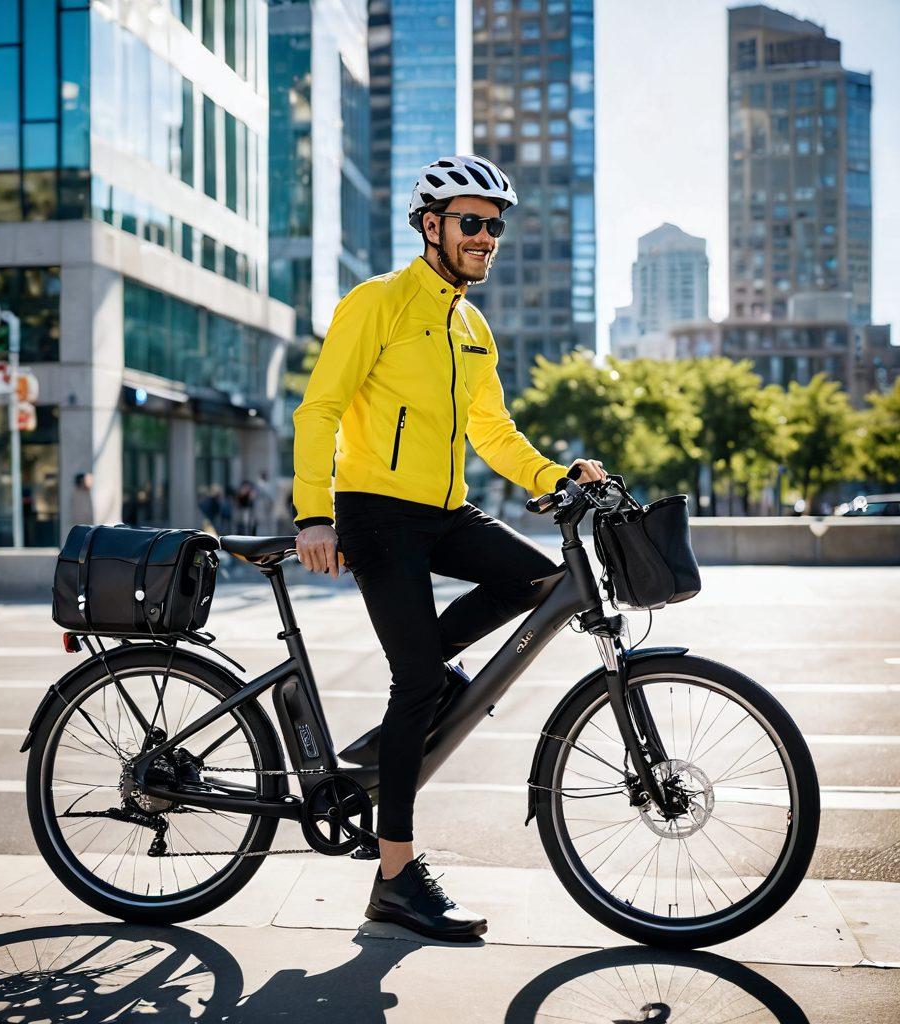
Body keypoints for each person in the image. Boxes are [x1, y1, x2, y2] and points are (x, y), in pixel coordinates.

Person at [291, 154, 606, 943]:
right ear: (430, 226)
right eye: (472, 222)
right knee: (417, 684)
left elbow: (492, 430)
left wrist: (555, 473)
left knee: (537, 578)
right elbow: (319, 407)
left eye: (496, 226)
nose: (487, 237)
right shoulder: (379, 303)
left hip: (444, 509)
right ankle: (395, 877)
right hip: (375, 515)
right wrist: (313, 515)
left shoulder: (471, 326)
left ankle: (431, 670)